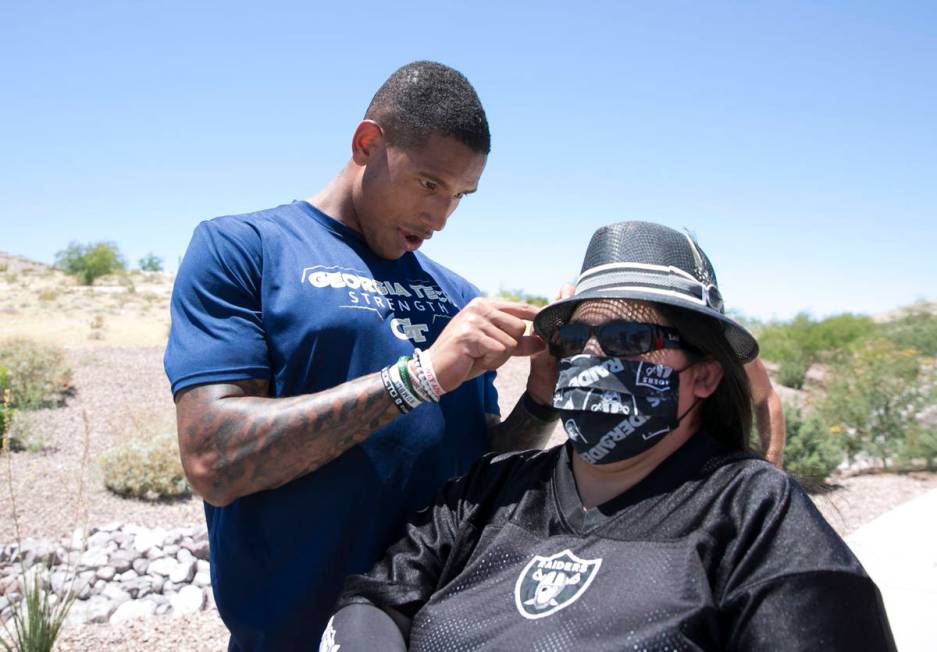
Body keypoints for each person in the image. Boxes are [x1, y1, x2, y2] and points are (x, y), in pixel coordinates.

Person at [325, 221, 895, 651]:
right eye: (574, 339)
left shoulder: (754, 513)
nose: (591, 357)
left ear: (703, 375)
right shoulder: (495, 488)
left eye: (628, 338)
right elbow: (377, 599)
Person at [164, 61, 560, 650]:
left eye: (460, 197)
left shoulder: (457, 296)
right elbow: (212, 459)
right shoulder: (245, 249)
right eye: (430, 184)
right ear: (368, 143)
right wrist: (420, 376)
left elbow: (483, 474)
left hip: (437, 634)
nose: (441, 218)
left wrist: (543, 397)